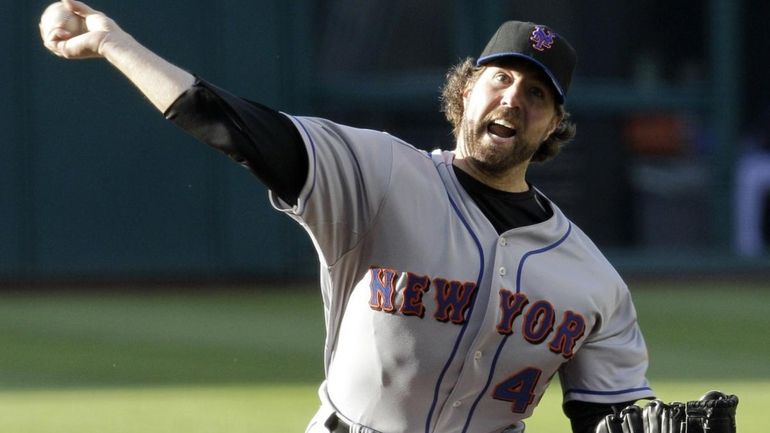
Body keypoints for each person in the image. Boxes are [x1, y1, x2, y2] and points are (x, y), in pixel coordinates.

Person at [39, 2, 655, 432]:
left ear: (554, 126)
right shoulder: (378, 173)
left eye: (536, 95)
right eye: (500, 79)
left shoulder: (593, 283)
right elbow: (235, 126)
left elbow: (609, 416)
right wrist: (111, 42)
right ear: (466, 90)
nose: (513, 99)